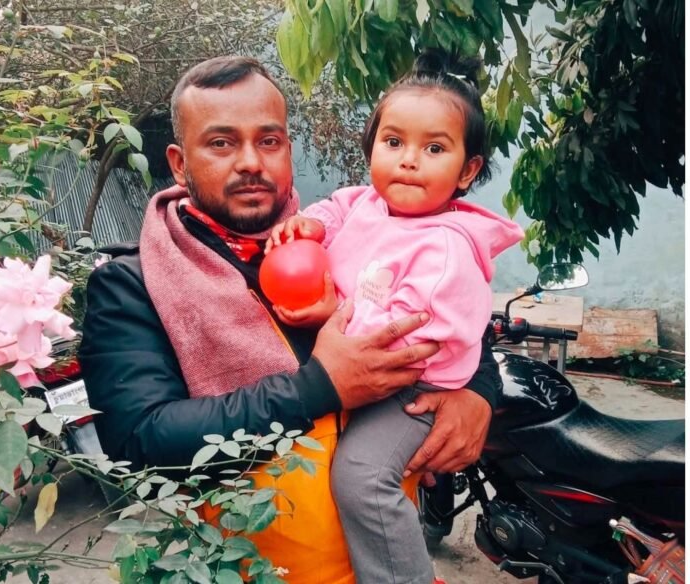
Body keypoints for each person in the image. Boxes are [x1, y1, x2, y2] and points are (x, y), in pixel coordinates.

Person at [78, 55, 502, 583]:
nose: (250, 162)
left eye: (269, 141)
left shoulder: (340, 234)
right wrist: (319, 387)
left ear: (288, 151)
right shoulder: (134, 284)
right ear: (180, 164)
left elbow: (453, 312)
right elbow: (140, 441)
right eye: (221, 143)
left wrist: (478, 393)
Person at [265, 50, 524, 584]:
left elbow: (407, 334)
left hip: (410, 385)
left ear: (467, 171)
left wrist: (331, 316)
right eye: (393, 142)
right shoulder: (367, 204)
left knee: (363, 477)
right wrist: (311, 225)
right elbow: (337, 208)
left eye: (434, 148)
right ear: (371, 150)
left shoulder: (445, 248)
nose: (409, 160)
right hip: (364, 372)